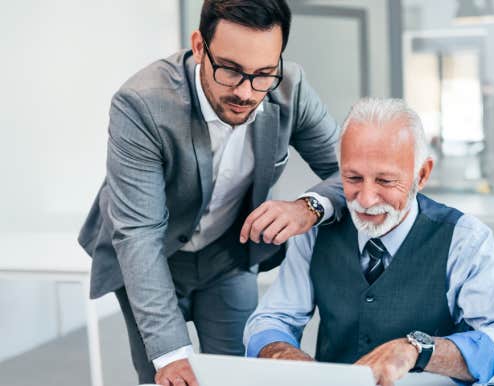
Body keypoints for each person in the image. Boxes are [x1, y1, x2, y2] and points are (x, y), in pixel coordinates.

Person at [77, 1, 344, 384]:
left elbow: (347, 172)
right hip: (153, 256)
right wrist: (170, 354)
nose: (247, 91)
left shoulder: (290, 87)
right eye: (231, 70)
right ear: (200, 46)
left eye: (263, 73)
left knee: (235, 373)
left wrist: (310, 206)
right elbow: (139, 234)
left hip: (227, 255)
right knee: (167, 375)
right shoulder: (142, 103)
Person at [243, 98, 494, 386]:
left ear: (421, 175)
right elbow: (272, 319)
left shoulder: (464, 240)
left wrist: (419, 350)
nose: (366, 199)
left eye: (385, 181)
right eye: (353, 178)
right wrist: (281, 353)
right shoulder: (314, 233)